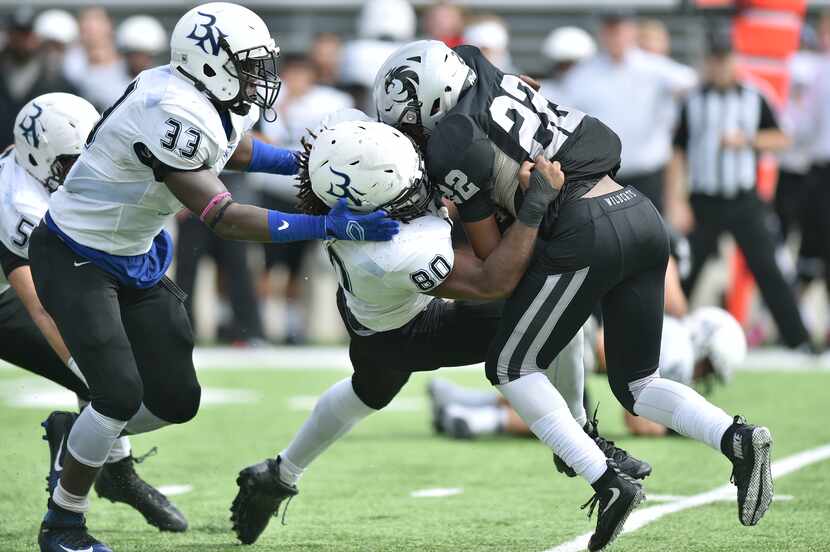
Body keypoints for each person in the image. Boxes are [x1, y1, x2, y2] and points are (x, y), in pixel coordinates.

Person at [374, 39, 774, 550]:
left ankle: (601, 473)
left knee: (509, 366)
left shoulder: (452, 142)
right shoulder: (475, 63)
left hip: (584, 227)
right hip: (639, 211)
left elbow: (497, 266)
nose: (410, 134)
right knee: (638, 383)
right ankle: (736, 438)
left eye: (411, 121)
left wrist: (519, 208)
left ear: (432, 103)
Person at [29, 5, 398, 552]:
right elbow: (223, 215)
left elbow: (232, 147)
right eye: (249, 65)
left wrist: (303, 163)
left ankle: (79, 440)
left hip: (133, 253)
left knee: (177, 400)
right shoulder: (171, 110)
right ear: (209, 64)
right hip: (75, 252)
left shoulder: (205, 99)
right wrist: (327, 223)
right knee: (118, 395)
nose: (260, 77)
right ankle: (64, 524)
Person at [228, 116, 567, 545]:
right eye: (409, 184)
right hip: (403, 328)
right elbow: (492, 283)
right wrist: (534, 206)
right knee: (537, 317)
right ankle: (581, 442)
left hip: (373, 313)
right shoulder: (393, 250)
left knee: (368, 391)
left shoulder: (346, 164)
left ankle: (279, 474)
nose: (420, 181)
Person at [3, 92, 188, 532]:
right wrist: (89, 373)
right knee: (106, 373)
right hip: (12, 290)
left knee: (117, 358)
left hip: (55, 270)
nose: (82, 167)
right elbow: (46, 308)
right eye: (70, 161)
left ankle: (115, 473)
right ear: (40, 158)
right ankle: (101, 470)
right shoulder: (23, 207)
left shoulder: (45, 170)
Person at [673, 34, 812, 351]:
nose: (720, 66)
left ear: (735, 60)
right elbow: (677, 152)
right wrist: (677, 201)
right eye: (715, 59)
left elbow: (781, 138)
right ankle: (668, 334)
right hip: (704, 199)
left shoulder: (754, 95)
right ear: (707, 62)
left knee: (768, 268)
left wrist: (747, 140)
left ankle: (799, 340)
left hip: (743, 199)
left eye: (725, 58)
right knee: (687, 268)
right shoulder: (693, 100)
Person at [430, 307, 747, 439]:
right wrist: (671, 427)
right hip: (580, 349)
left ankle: (458, 400)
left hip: (582, 335)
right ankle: (474, 420)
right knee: (568, 422)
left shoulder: (675, 332)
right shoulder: (680, 353)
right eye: (709, 367)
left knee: (541, 395)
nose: (703, 375)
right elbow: (637, 421)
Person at [257, 55, 355, 343]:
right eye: (293, 73)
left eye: (302, 73)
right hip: (274, 191)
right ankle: (263, 326)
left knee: (298, 265)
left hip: (306, 194)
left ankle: (291, 327)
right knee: (269, 264)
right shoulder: (271, 102)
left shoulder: (327, 101)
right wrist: (284, 109)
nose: (297, 80)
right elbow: (266, 141)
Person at [561, 11, 697, 213]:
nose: (616, 36)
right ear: (602, 34)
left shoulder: (652, 66)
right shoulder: (584, 73)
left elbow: (691, 82)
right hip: (604, 176)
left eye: (621, 30)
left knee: (652, 237)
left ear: (632, 31)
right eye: (610, 30)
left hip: (649, 173)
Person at [0, 7, 79, 148]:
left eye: (27, 34)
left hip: (41, 159)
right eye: (17, 34)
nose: (22, 40)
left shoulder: (56, 80)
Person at [539, 26, 597, 105]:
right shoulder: (543, 92)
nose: (568, 72)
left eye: (572, 65)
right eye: (562, 65)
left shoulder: (596, 93)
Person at [115, 15, 168, 79]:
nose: (139, 61)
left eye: (145, 55)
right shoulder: (110, 82)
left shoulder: (165, 82)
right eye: (134, 55)